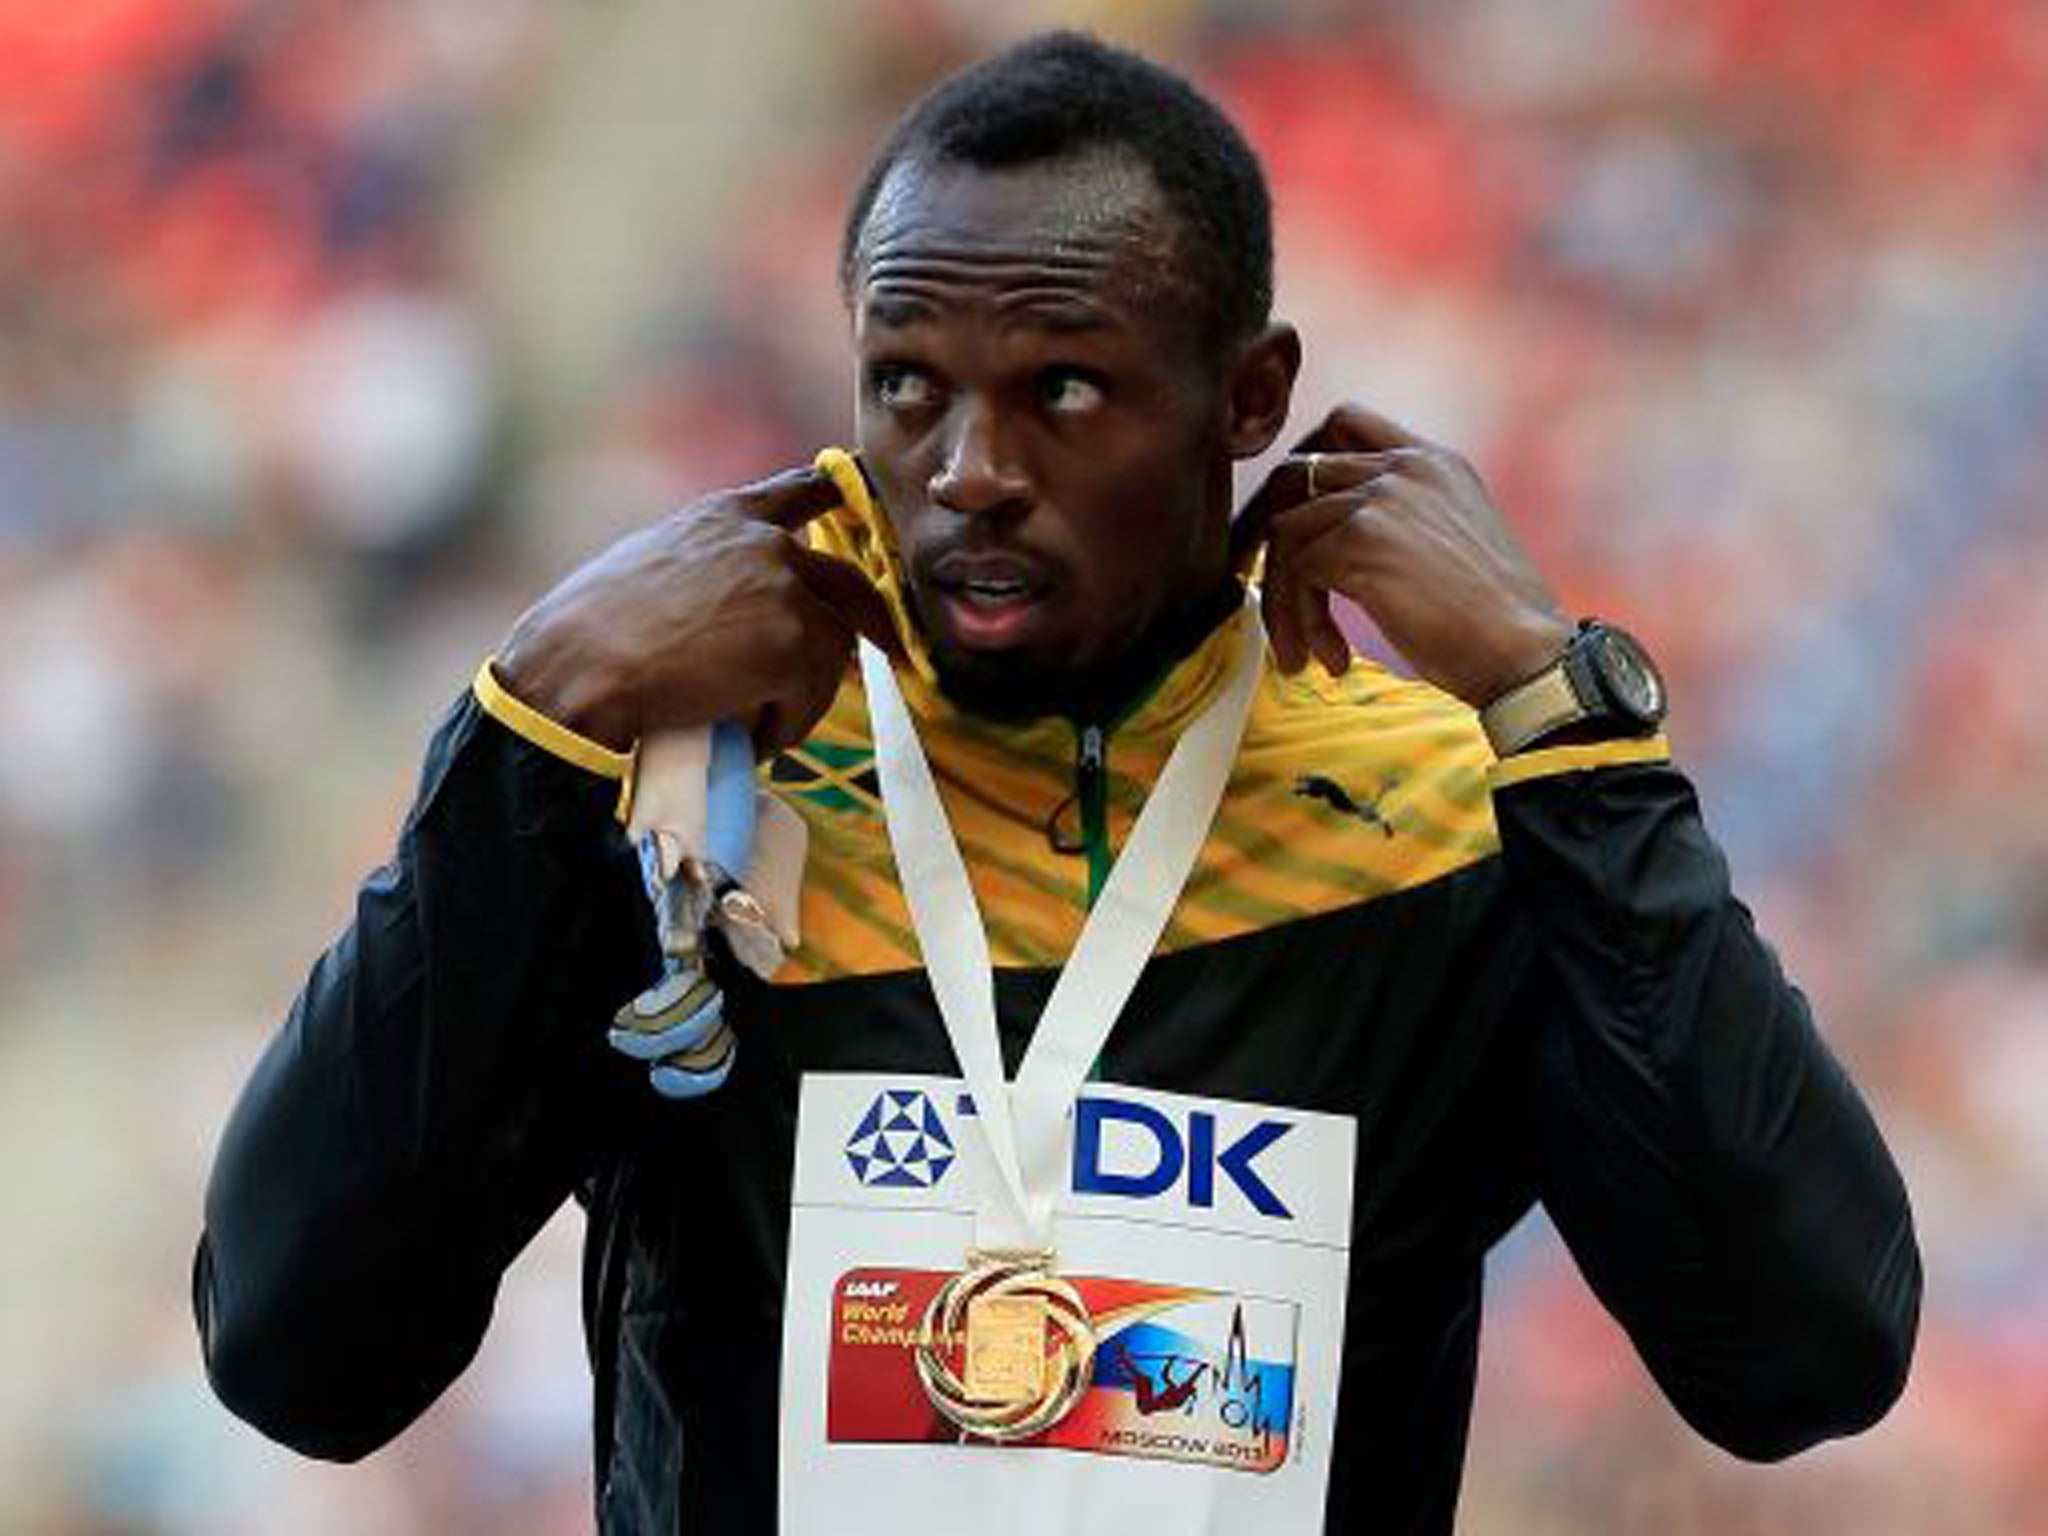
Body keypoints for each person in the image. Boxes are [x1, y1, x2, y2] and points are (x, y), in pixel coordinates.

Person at [194, 31, 1921, 1536]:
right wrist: (527, 719)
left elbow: (1806, 1357)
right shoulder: (686, 797)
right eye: (905, 385)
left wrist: (1568, 725)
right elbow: (297, 1352)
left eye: (1067, 389)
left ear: (1249, 398)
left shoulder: (1442, 821)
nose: (971, 471)